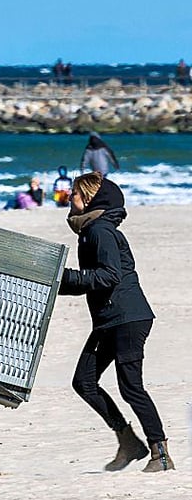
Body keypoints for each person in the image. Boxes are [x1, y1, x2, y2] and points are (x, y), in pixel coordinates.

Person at [59, 172, 174, 472]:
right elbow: (90, 280)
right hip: (110, 319)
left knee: (131, 387)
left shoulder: (100, 231)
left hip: (128, 318)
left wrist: (68, 277)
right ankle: (128, 440)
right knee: (83, 381)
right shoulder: (91, 231)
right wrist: (58, 283)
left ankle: (160, 453)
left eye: (74, 194)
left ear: (89, 199)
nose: (69, 198)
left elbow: (109, 275)